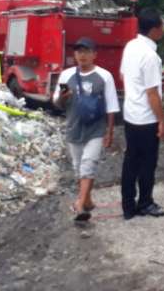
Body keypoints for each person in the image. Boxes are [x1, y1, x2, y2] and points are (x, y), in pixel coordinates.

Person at [53, 37, 120, 222]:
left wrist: (110, 132)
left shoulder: (104, 76)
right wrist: (64, 97)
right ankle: (88, 199)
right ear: (74, 54)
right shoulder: (66, 76)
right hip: (74, 129)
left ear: (94, 55)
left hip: (96, 129)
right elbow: (57, 103)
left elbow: (111, 106)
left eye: (86, 51)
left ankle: (80, 206)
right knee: (78, 168)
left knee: (88, 164)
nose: (82, 55)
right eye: (79, 51)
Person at [119, 8, 164, 219]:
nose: (163, 29)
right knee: (148, 163)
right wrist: (162, 120)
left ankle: (128, 206)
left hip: (131, 114)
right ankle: (146, 202)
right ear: (154, 30)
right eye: (161, 25)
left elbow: (124, 75)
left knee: (131, 160)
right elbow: (152, 94)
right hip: (146, 118)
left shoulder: (131, 46)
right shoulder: (151, 56)